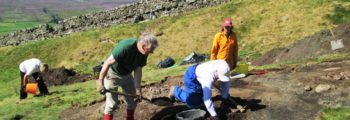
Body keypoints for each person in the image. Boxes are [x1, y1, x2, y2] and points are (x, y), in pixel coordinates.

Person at [96, 32, 158, 120]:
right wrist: (100, 81)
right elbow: (107, 63)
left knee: (132, 100)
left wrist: (137, 88)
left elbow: (138, 70)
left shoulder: (144, 54)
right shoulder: (125, 47)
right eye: (151, 49)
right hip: (112, 75)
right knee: (112, 104)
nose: (152, 52)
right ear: (144, 46)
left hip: (127, 75)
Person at [168, 60, 233, 118]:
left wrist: (224, 96)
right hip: (192, 78)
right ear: (216, 71)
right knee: (193, 103)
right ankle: (175, 90)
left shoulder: (224, 65)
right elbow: (207, 99)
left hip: (201, 75)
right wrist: (214, 115)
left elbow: (225, 82)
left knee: (201, 97)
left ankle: (191, 91)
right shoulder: (208, 77)